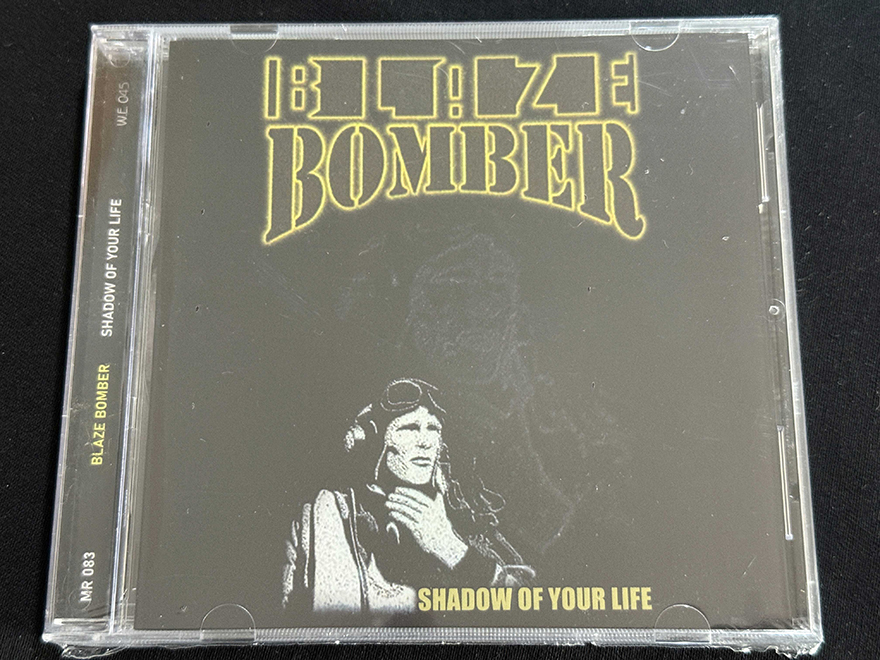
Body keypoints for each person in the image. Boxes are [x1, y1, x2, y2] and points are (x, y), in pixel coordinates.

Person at [282, 378, 533, 614]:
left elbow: (527, 604)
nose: (425, 441)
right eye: (409, 428)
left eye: (433, 428)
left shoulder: (463, 509)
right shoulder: (339, 511)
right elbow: (336, 617)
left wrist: (450, 547)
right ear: (376, 439)